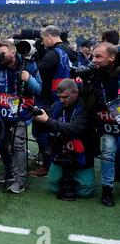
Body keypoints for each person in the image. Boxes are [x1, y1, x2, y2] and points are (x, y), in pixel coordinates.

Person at [0, 40, 42, 193]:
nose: (0, 57)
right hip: (2, 112)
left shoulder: (28, 64)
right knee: (2, 143)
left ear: (13, 52)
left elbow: (38, 90)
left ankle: (20, 181)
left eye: (3, 54)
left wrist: (29, 79)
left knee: (18, 145)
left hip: (21, 113)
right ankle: (10, 172)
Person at [34, 79, 95, 200]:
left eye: (65, 97)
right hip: (60, 150)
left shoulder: (85, 106)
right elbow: (45, 128)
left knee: (85, 191)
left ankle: (76, 177)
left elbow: (74, 129)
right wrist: (38, 117)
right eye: (60, 97)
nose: (62, 100)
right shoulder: (57, 105)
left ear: (75, 91)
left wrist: (47, 121)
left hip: (82, 152)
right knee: (53, 187)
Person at [31, 25, 78, 178]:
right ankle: (57, 163)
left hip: (51, 99)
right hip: (67, 97)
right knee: (58, 132)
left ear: (50, 37)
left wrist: (38, 53)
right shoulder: (69, 50)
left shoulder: (53, 53)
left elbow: (39, 69)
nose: (42, 42)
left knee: (40, 131)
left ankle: (48, 165)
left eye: (43, 39)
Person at [80, 42, 120, 206]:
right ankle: (107, 188)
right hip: (108, 123)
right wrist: (87, 84)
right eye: (92, 56)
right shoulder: (93, 75)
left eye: (98, 56)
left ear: (112, 58)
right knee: (108, 152)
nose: (93, 60)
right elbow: (88, 105)